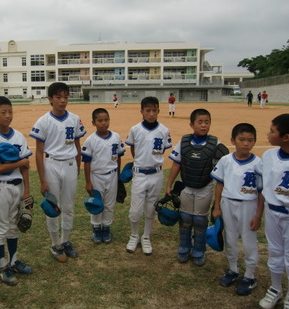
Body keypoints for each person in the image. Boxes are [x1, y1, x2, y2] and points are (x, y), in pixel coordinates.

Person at [30, 82, 87, 262]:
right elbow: (39, 152)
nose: (63, 101)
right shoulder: (43, 121)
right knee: (53, 207)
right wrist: (42, 179)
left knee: (68, 207)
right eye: (58, 97)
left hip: (70, 164)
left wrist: (77, 166)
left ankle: (65, 240)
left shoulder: (75, 119)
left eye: (65, 97)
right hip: (52, 165)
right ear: (50, 99)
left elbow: (78, 144)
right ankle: (55, 244)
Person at [0, 96, 33, 286]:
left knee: (14, 226)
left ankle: (13, 261)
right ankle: (1, 266)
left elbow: (26, 168)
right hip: (1, 187)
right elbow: (0, 168)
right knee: (1, 227)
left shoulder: (18, 136)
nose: (8, 115)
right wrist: (20, 162)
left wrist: (26, 191)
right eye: (3, 112)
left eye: (10, 111)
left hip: (17, 186)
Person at [165, 108, 228, 266]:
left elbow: (224, 170)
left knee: (200, 220)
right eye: (200, 122)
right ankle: (184, 247)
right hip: (186, 186)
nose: (203, 125)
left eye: (207, 122)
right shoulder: (184, 142)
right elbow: (176, 164)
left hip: (205, 187)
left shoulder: (215, 144)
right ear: (192, 124)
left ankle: (199, 249)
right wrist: (169, 184)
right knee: (185, 218)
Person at [210, 123, 264, 296]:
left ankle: (249, 275)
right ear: (233, 140)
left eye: (250, 140)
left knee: (249, 241)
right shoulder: (226, 160)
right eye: (241, 140)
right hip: (228, 202)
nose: (246, 144)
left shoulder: (258, 163)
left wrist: (258, 214)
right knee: (230, 239)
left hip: (249, 204)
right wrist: (216, 206)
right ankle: (233, 269)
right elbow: (220, 184)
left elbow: (261, 192)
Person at [255, 114, 289, 309]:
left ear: (286, 137)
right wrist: (258, 214)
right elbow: (264, 187)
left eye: (272, 131)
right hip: (272, 213)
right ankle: (275, 288)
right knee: (274, 252)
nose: (268, 134)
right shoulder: (269, 156)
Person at [125, 96, 172, 255]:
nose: (151, 113)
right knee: (135, 211)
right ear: (142, 112)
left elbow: (162, 151)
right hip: (139, 174)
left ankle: (146, 237)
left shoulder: (164, 130)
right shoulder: (135, 129)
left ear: (158, 110)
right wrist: (141, 162)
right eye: (148, 110)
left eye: (154, 110)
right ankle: (134, 235)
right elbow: (134, 150)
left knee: (151, 209)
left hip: (156, 174)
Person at [81, 108, 125, 244]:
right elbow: (87, 163)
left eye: (106, 120)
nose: (104, 123)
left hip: (112, 175)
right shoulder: (90, 140)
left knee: (109, 204)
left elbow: (118, 157)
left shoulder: (116, 137)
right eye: (100, 121)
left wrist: (118, 177)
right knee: (97, 203)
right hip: (97, 176)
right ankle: (96, 227)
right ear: (93, 122)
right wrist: (88, 182)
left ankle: (106, 227)